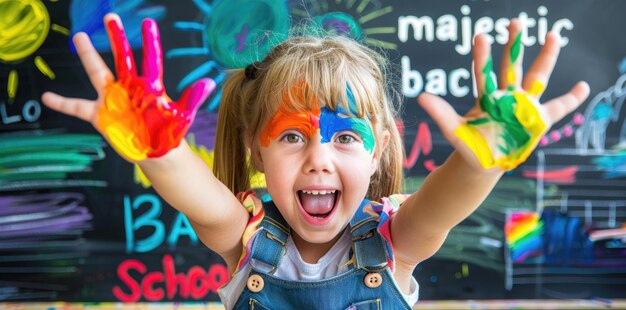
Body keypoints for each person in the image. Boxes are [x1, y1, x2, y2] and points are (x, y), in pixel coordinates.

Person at [42, 12, 589, 309]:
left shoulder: (398, 240)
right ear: (256, 148)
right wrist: (159, 150)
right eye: (291, 138)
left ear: (377, 153)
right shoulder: (245, 237)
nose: (318, 159)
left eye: (345, 138)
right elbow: (194, 193)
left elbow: (444, 205)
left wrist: (481, 162)